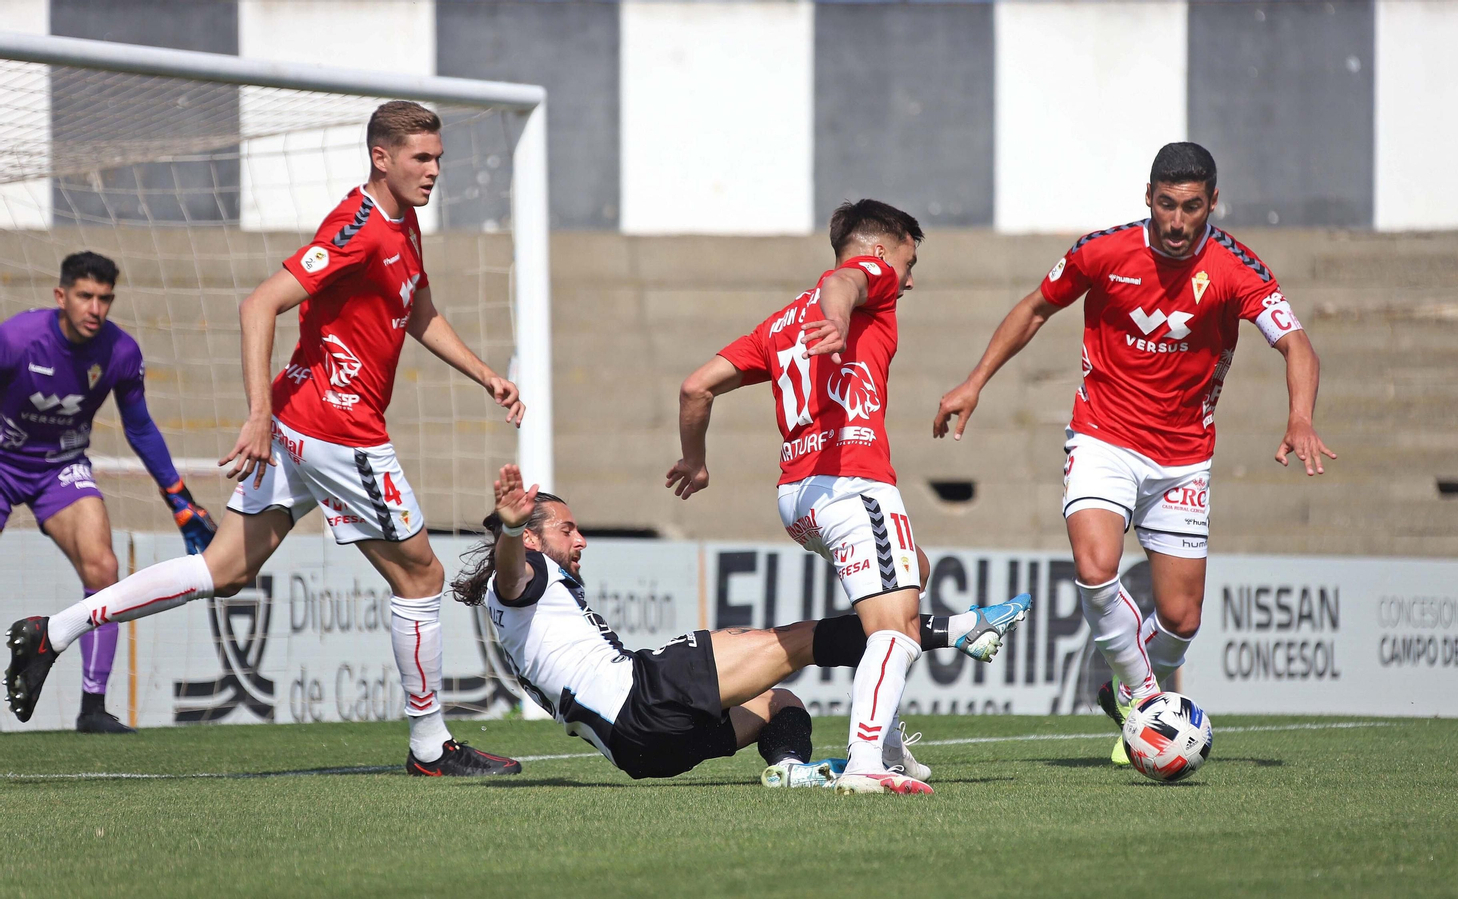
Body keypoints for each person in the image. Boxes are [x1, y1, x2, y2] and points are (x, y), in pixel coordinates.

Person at [7, 102, 524, 775]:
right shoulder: (358, 227)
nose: (433, 171)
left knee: (223, 571)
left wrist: (485, 374)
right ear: (382, 157)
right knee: (422, 573)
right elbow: (259, 303)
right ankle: (432, 746)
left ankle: (54, 631)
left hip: (301, 420)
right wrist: (255, 413)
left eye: (437, 158)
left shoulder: (405, 221)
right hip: (337, 428)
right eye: (421, 159)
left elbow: (417, 309)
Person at [932, 142, 1334, 765]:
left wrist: (1300, 416)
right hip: (1103, 437)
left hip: (1183, 456)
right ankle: (1145, 703)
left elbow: (1297, 344)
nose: (1177, 221)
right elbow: (1037, 308)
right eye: (1167, 205)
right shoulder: (1103, 251)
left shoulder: (1236, 268)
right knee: (1096, 566)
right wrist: (975, 380)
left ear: (1212, 203)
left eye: (1192, 207)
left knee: (1181, 617)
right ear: (1148, 199)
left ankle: (1126, 685)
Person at [667, 199, 1030, 794]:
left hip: (798, 499)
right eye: (909, 262)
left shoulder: (780, 325)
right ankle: (867, 764)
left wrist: (696, 459)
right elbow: (841, 279)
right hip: (851, 483)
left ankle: (886, 741)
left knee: (911, 575)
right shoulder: (869, 284)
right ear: (882, 253)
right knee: (893, 631)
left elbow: (694, 388)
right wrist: (837, 318)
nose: (909, 279)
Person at [458, 464, 1030, 789]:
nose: (580, 539)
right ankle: (958, 628)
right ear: (531, 537)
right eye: (567, 529)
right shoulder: (520, 571)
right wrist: (510, 532)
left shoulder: (520, 594)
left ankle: (789, 772)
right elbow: (512, 573)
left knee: (782, 704)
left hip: (634, 753)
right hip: (641, 695)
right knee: (799, 641)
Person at [0, 251, 216, 733]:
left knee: (104, 568)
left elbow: (139, 428)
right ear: (61, 296)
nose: (95, 308)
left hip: (60, 468)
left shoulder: (120, 352)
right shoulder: (16, 339)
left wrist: (178, 497)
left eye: (104, 298)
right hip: (2, 462)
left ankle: (92, 709)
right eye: (84, 296)